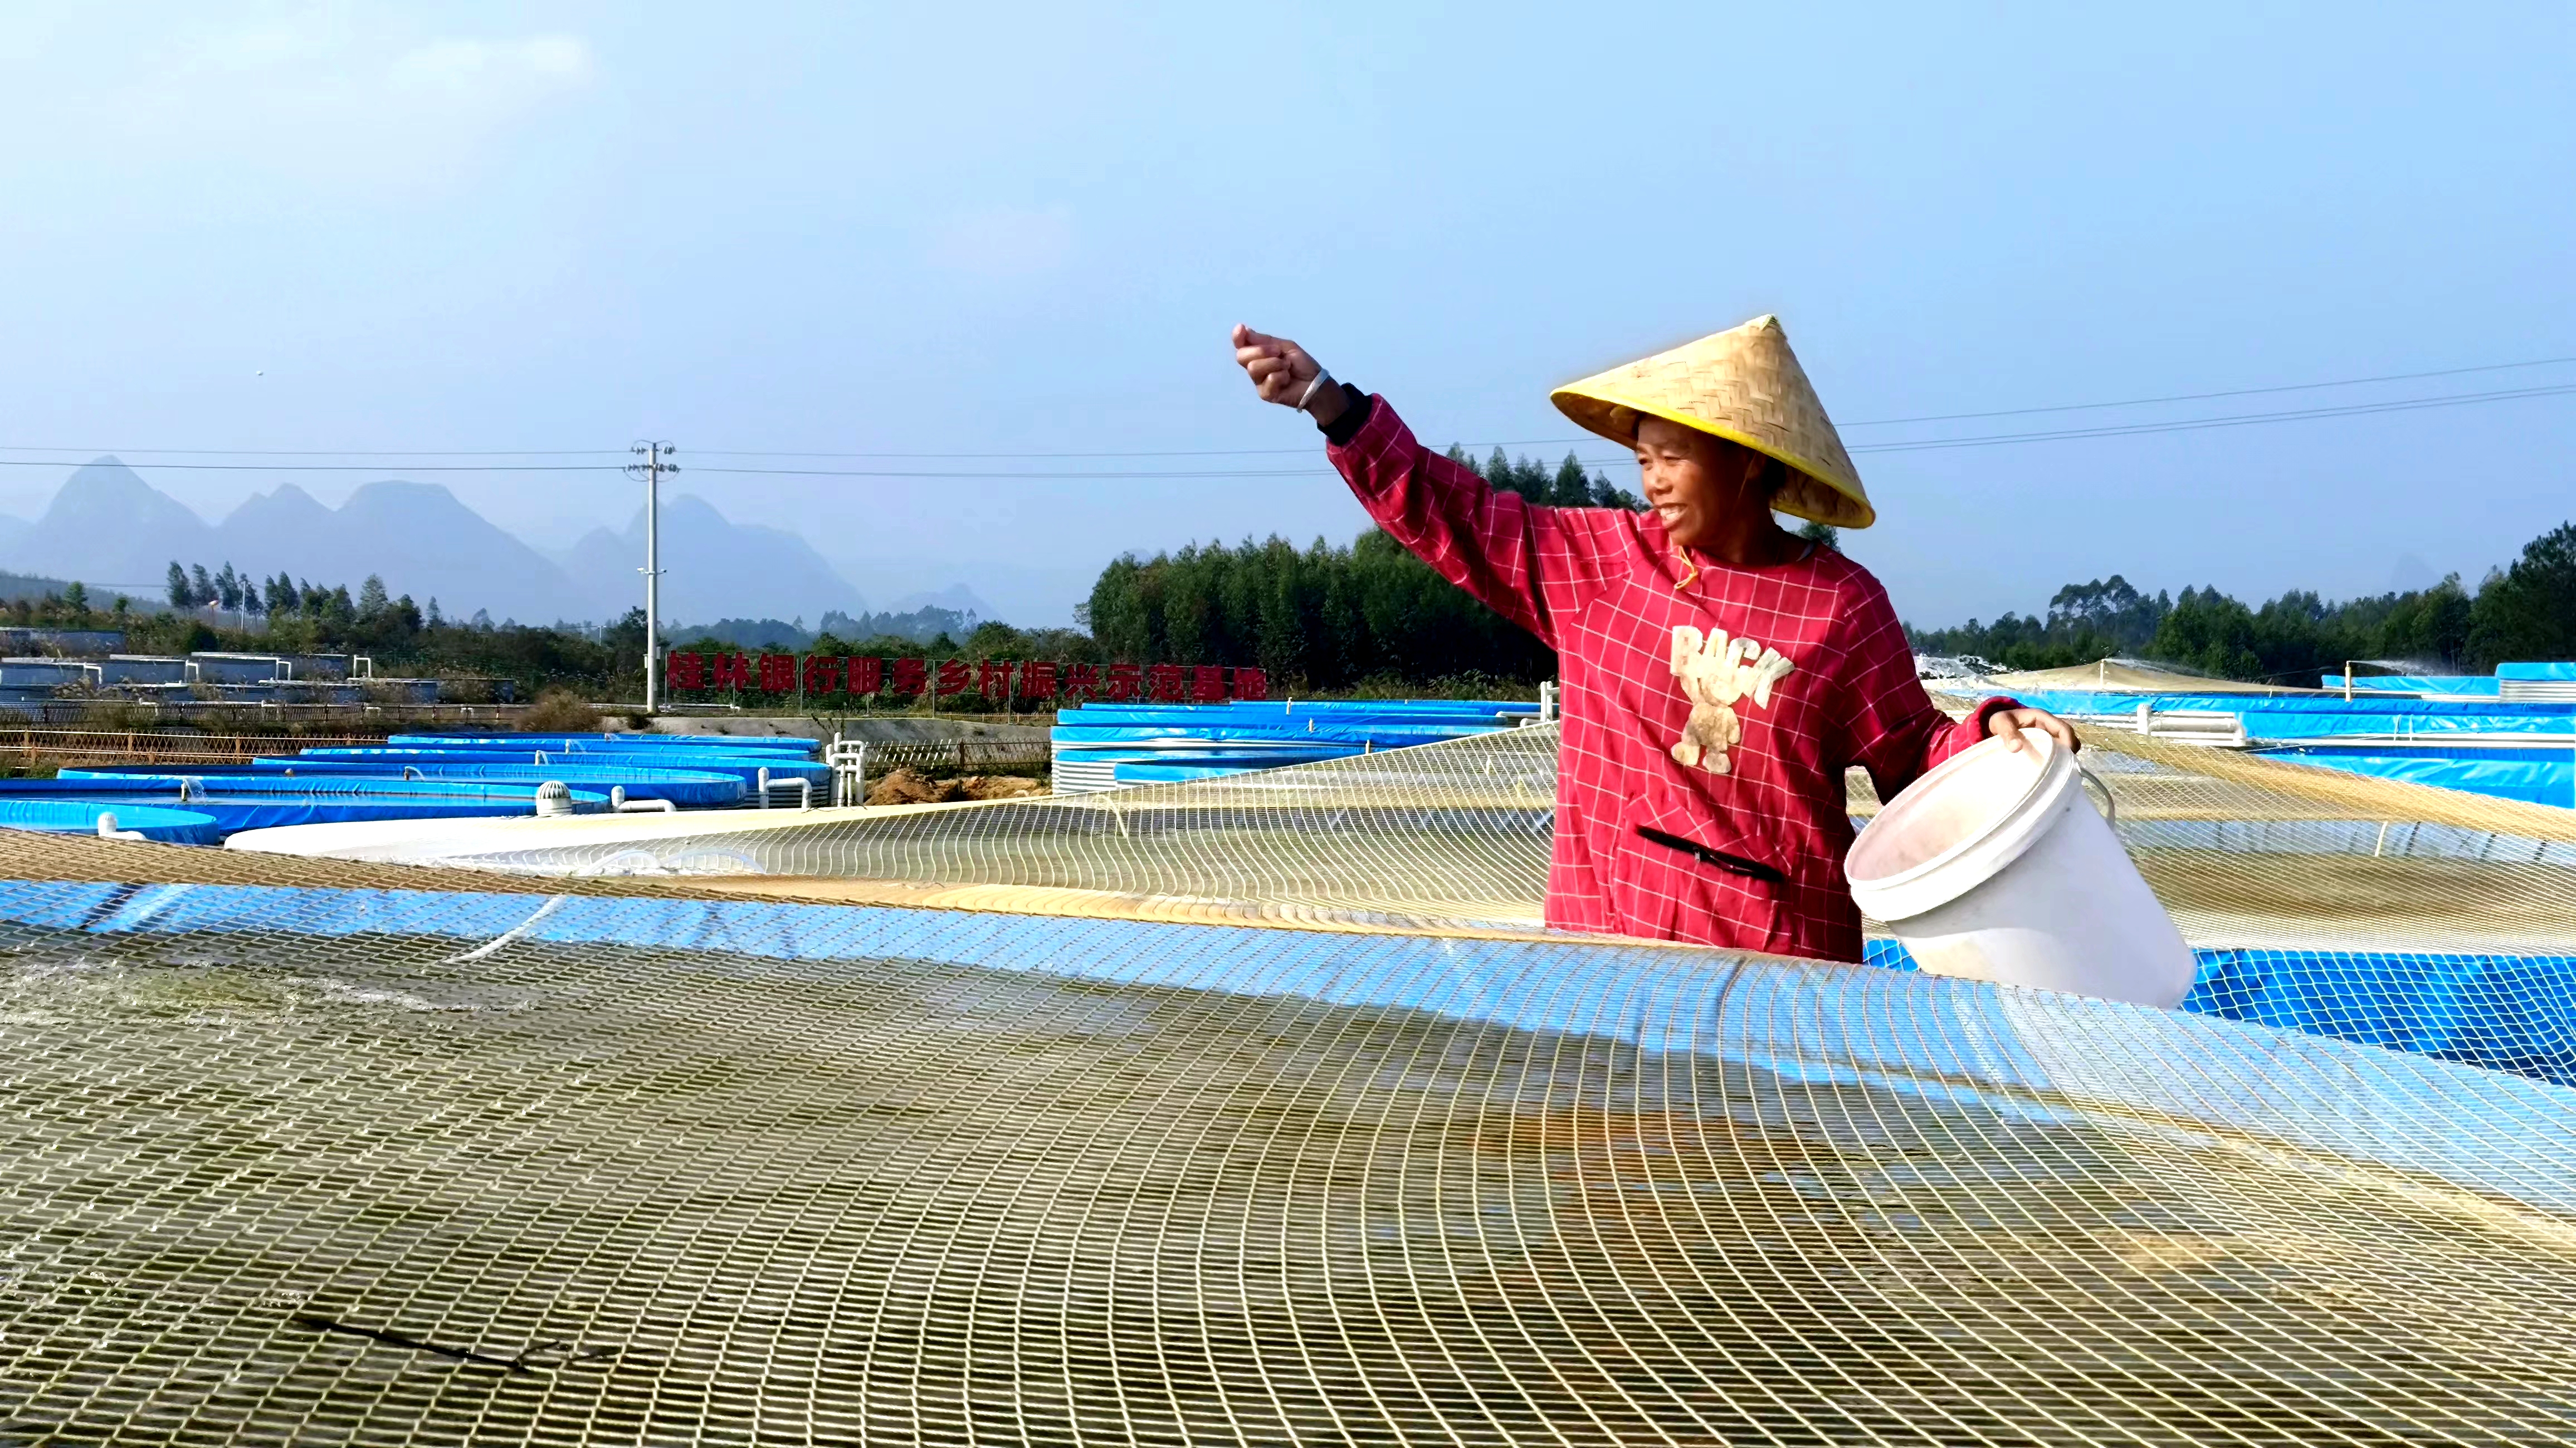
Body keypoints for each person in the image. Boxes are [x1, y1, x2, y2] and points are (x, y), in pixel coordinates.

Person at [1232, 315, 2079, 962]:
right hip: (1611, 959)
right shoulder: (1600, 565)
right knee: (1608, 1176)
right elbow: (1450, 511)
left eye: (1674, 455)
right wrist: (1328, 405)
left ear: (1748, 460)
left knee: (1773, 1188)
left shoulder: (1840, 607)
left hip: (1780, 972)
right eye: (1644, 458)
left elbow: (1912, 752)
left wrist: (1990, 734)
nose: (1655, 480)